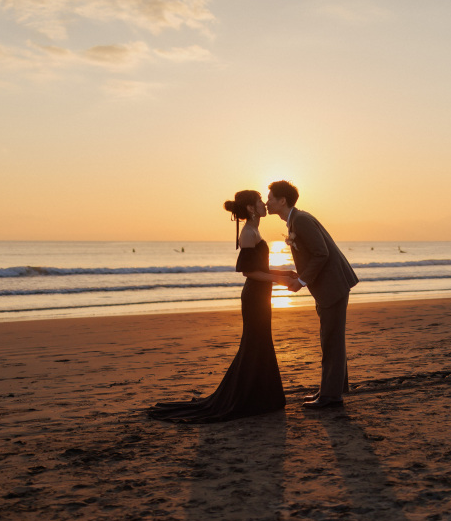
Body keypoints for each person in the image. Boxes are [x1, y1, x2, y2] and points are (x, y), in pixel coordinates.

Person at [148, 190, 295, 423]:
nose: (264, 204)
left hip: (261, 294)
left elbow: (262, 269)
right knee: (255, 342)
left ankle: (262, 397)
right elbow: (248, 272)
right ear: (250, 208)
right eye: (259, 201)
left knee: (259, 342)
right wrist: (283, 280)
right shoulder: (248, 233)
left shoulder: (254, 230)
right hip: (254, 296)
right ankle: (252, 398)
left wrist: (285, 272)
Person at [266, 181, 359, 409]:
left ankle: (331, 396)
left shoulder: (301, 220)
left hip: (333, 286)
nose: (267, 202)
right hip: (327, 287)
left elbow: (321, 253)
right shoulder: (295, 220)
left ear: (282, 200)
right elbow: (314, 255)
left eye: (270, 198)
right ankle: (331, 390)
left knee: (332, 340)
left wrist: (301, 280)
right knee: (330, 338)